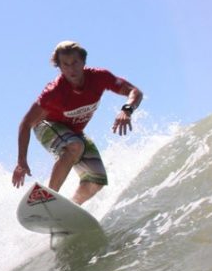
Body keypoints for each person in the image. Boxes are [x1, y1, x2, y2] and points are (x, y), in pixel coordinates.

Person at [12, 41, 143, 205]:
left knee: (97, 179)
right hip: (46, 125)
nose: (71, 69)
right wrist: (22, 161)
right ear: (59, 67)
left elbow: (134, 91)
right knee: (75, 146)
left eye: (75, 63)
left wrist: (127, 110)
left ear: (83, 61)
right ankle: (47, 199)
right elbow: (26, 123)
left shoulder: (99, 78)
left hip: (74, 133)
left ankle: (69, 209)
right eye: (65, 65)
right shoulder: (54, 92)